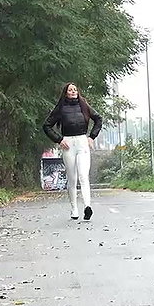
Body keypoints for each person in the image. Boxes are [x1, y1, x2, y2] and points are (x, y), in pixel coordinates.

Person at [42, 82, 102, 220]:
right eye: (70, 90)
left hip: (82, 141)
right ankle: (74, 208)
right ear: (66, 92)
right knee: (72, 178)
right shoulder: (61, 108)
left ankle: (87, 206)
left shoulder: (84, 105)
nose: (73, 91)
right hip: (68, 143)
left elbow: (98, 119)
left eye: (75, 89)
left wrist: (92, 137)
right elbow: (47, 125)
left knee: (83, 176)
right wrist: (59, 139)